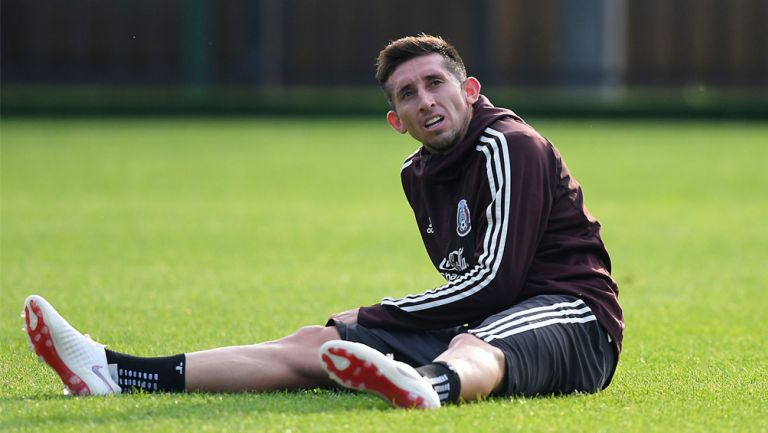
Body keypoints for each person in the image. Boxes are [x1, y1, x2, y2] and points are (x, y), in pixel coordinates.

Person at [21, 34, 623, 409]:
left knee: (473, 341)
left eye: (436, 83)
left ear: (468, 89)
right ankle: (119, 373)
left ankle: (431, 387)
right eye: (407, 95)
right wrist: (359, 327)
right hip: (490, 314)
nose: (426, 101)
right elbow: (471, 281)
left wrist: (378, 317)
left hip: (574, 316)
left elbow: (497, 281)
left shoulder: (510, 145)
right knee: (316, 342)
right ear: (397, 120)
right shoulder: (418, 172)